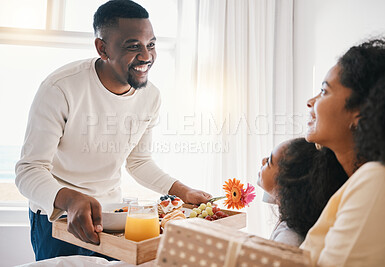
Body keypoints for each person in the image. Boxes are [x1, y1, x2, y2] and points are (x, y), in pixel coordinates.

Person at [15, 0, 212, 261]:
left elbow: (138, 161)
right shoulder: (60, 88)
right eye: (133, 46)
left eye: (151, 44)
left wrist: (183, 191)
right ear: (102, 48)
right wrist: (71, 200)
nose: (146, 56)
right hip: (58, 215)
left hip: (113, 217)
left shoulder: (151, 97)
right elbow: (28, 170)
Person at [300, 39, 385, 266]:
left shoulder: (379, 179)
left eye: (324, 91)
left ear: (361, 112)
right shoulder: (361, 180)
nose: (310, 102)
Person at [258, 138, 347, 247]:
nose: (263, 160)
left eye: (269, 162)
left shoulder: (289, 238)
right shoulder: (294, 208)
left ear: (286, 184)